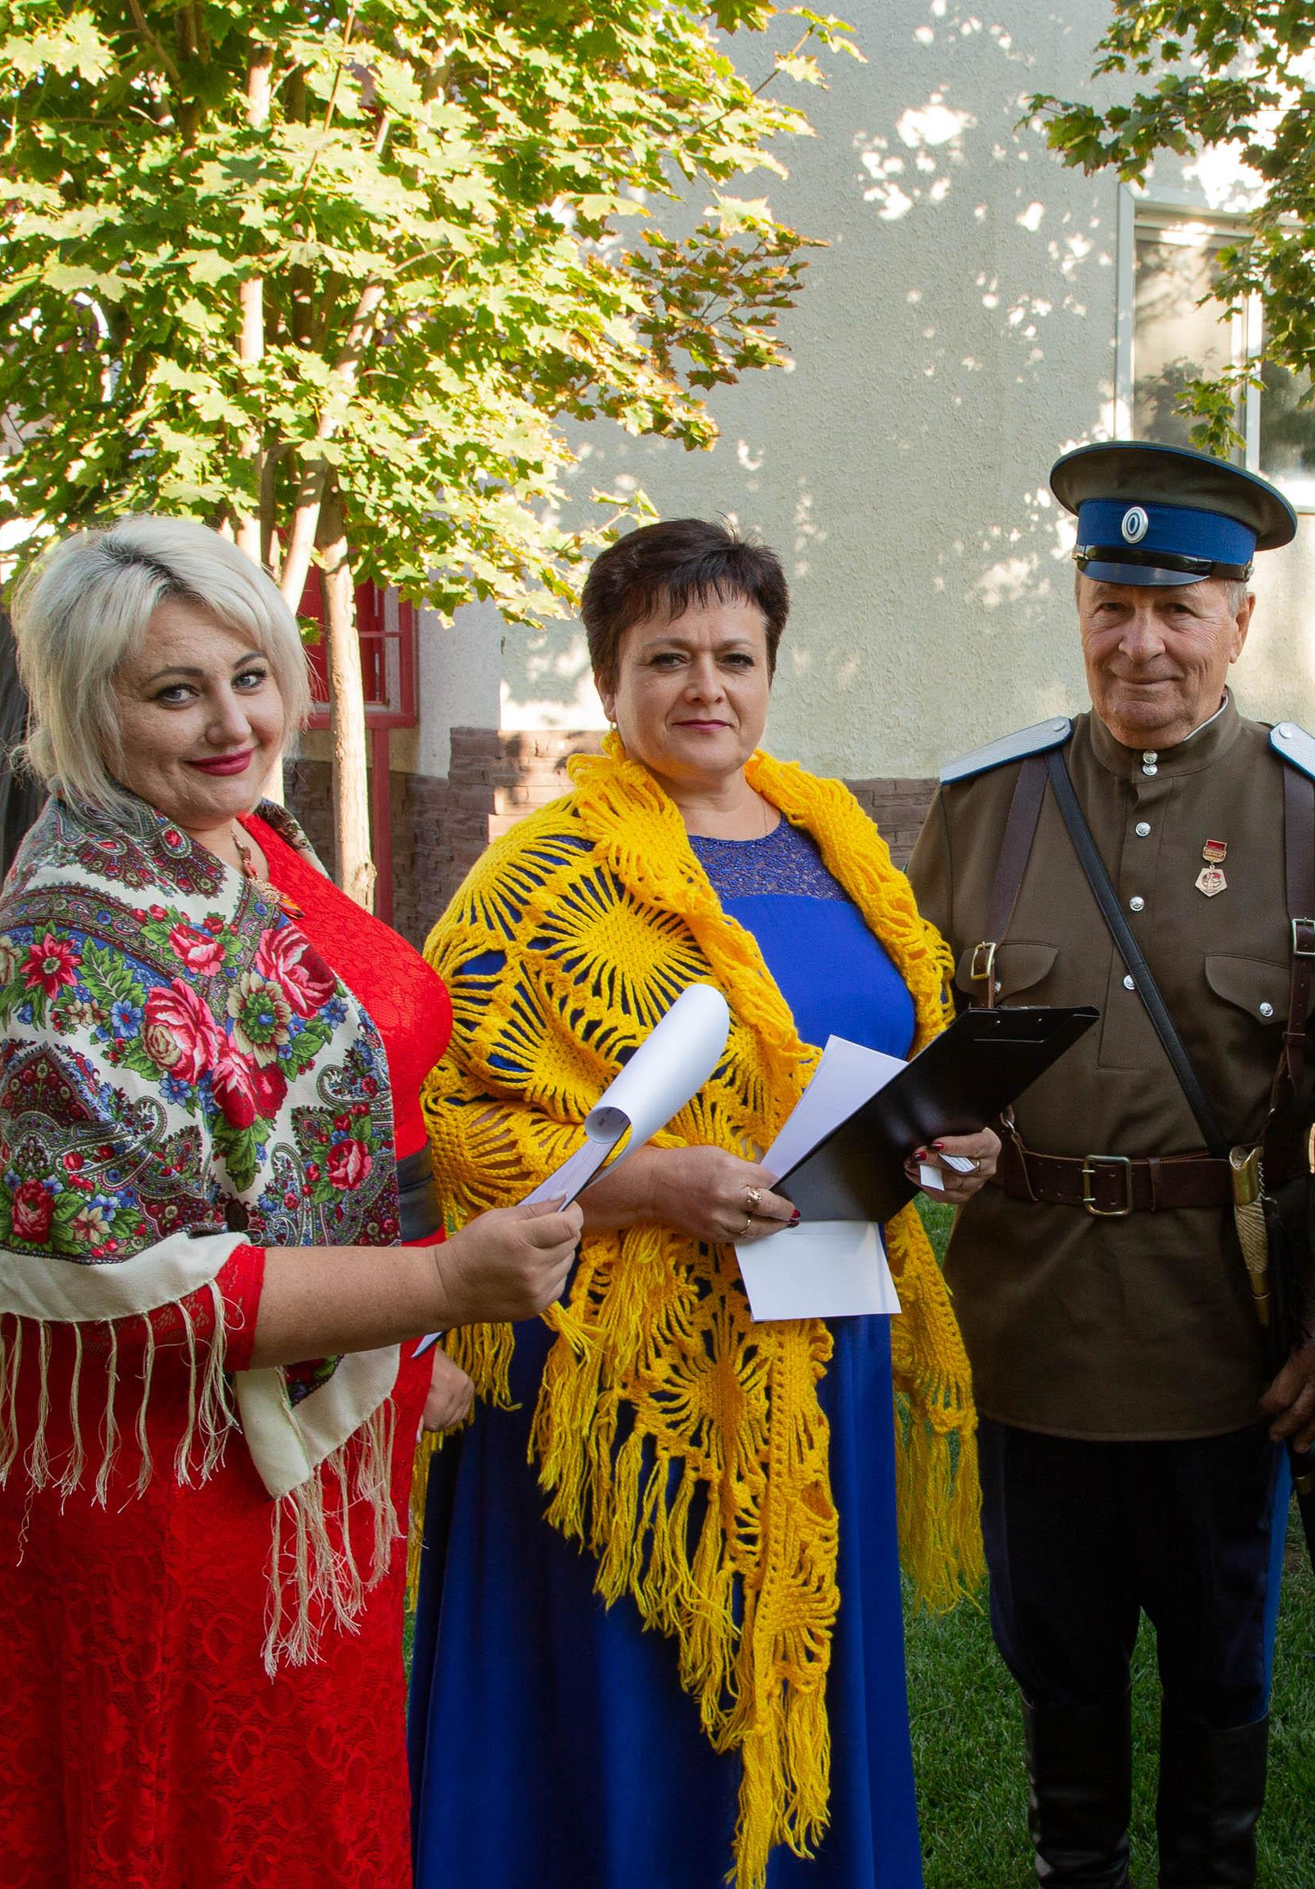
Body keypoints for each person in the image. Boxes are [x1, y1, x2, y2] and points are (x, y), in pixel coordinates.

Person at [0, 516, 579, 1887]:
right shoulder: (77, 935)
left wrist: (396, 1344)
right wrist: (434, 1292)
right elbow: (142, 1290)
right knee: (203, 1834)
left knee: (320, 1818)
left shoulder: (247, 844)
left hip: (301, 1466)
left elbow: (358, 1079)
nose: (229, 721)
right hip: (162, 1508)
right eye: (173, 691)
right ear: (86, 708)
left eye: (250, 674)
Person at [412, 517, 991, 1889]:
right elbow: (450, 1109)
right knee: (632, 1687)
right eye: (664, 656)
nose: (705, 685)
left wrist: (940, 1141)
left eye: (735, 653)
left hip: (817, 1331)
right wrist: (647, 1184)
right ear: (609, 680)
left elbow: (903, 1040)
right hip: (619, 1367)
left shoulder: (838, 839)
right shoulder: (546, 873)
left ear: (774, 667)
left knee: (799, 1660)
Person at [908, 440, 1315, 1887]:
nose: (1143, 642)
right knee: (1056, 1661)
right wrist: (933, 1133)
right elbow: (917, 1032)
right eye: (1113, 601)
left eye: (1180, 607)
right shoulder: (987, 808)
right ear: (1078, 602)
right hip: (1032, 1321)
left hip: (1223, 1333)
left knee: (1217, 1666)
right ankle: (1080, 1866)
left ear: (1241, 621)